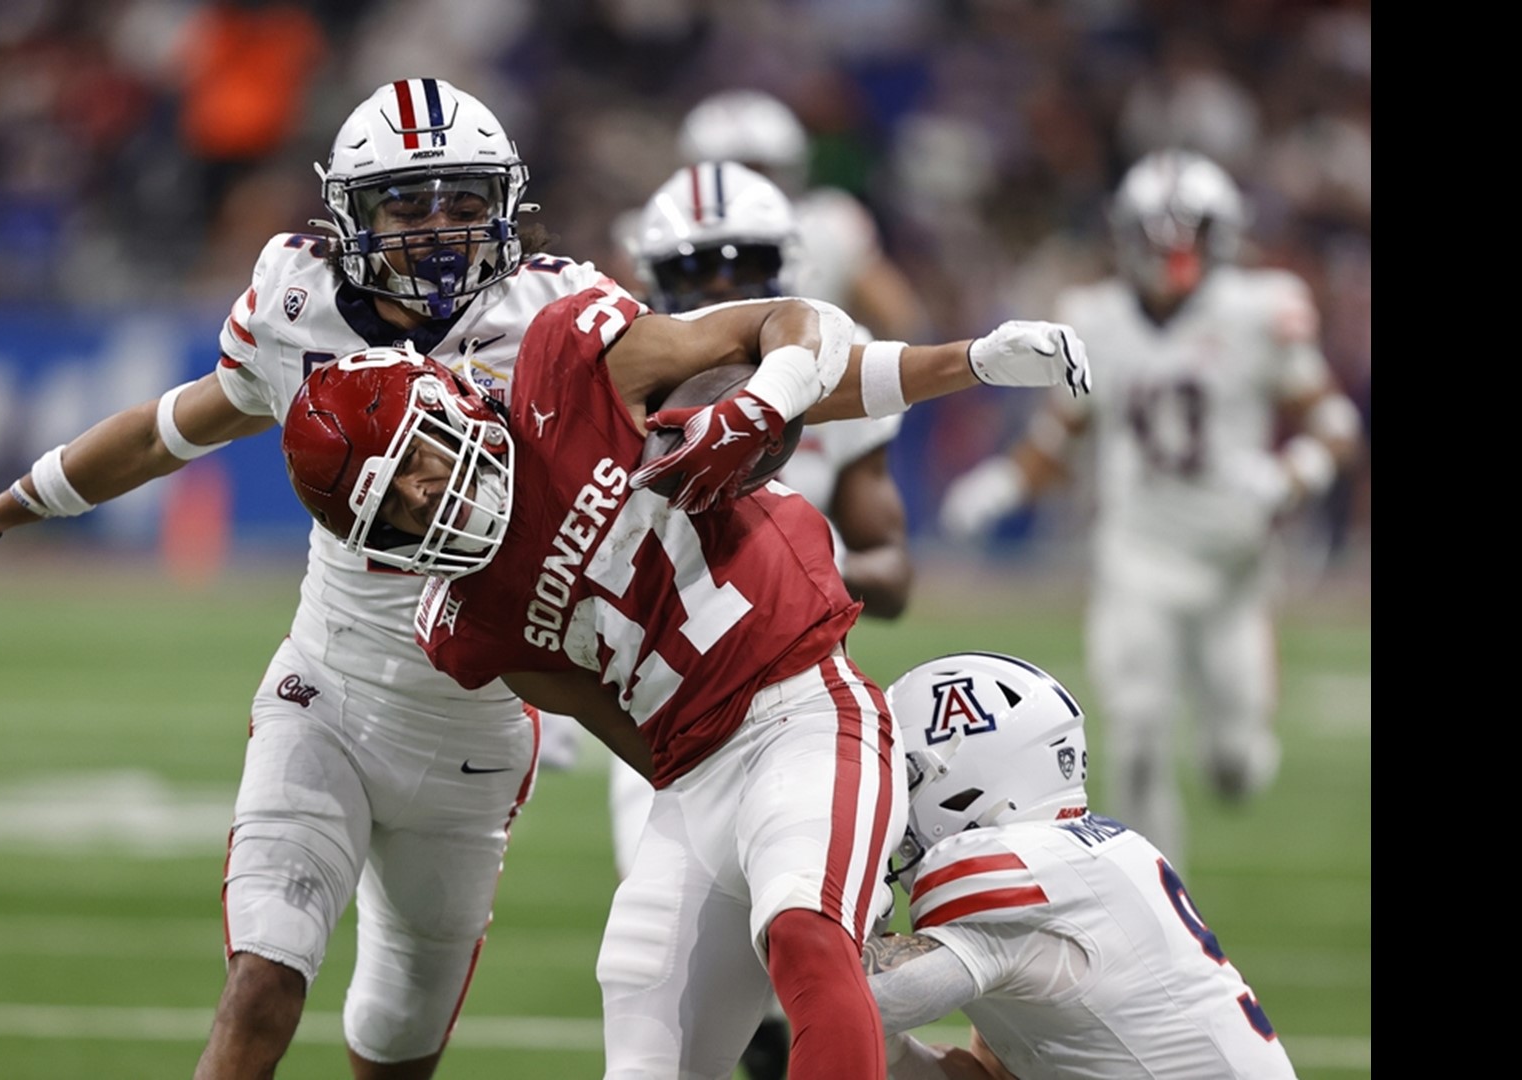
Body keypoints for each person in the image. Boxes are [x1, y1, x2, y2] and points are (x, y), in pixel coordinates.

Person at [0, 78, 658, 1080]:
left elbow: (677, 449)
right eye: (406, 205)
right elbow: (172, 429)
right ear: (348, 216)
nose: (437, 231)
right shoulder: (299, 310)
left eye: (462, 202)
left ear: (504, 204)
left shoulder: (563, 318)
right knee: (265, 979)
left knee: (396, 1036)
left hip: (476, 729)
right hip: (327, 693)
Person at [278, 291, 1090, 1077]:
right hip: (695, 779)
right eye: (392, 508)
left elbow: (794, 325)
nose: (425, 493)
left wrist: (953, 364)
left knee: (808, 936)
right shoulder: (464, 624)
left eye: (417, 458)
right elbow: (623, 729)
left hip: (804, 708)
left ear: (450, 401)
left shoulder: (571, 366)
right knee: (646, 1044)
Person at [937, 149, 1362, 869]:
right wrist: (1007, 483)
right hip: (1135, 553)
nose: (1172, 249)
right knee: (1134, 731)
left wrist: (1292, 473)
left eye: (1188, 231)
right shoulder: (1093, 318)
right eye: (1157, 231)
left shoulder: (1260, 308)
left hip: (1234, 562)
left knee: (1235, 765)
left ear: (1220, 235)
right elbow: (1061, 433)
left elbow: (1336, 424)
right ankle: (1162, 905)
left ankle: (1238, 747)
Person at [615, 158, 921, 1080]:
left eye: (742, 266)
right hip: (663, 717)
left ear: (785, 267)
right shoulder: (618, 375)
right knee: (681, 1007)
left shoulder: (829, 352)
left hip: (800, 702)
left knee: (821, 957)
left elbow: (896, 572)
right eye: (697, 270)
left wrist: (803, 544)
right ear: (652, 279)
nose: (720, 291)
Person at [863, 650, 1300, 1079]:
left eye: (904, 780)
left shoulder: (1019, 867)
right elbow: (991, 1074)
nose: (890, 804)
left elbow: (858, 994)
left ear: (958, 775)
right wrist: (888, 1047)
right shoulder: (1083, 858)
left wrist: (818, 895)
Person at [677, 88, 926, 342]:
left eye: (758, 172)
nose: (747, 188)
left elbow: (899, 320)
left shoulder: (829, 224)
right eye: (732, 175)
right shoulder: (662, 231)